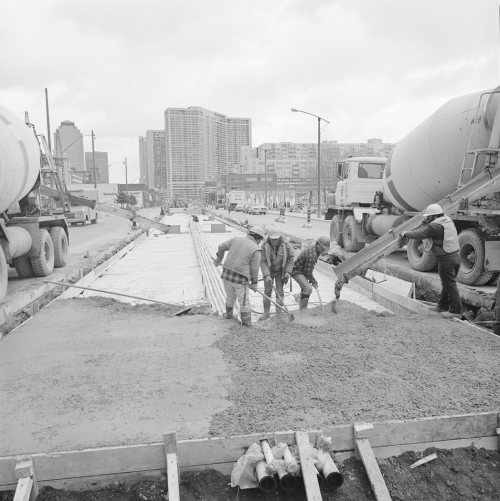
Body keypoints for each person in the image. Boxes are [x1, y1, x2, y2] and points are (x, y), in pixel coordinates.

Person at [399, 203, 463, 318]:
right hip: (455, 257)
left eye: (429, 216)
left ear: (434, 216)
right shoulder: (447, 220)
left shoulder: (434, 227)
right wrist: (426, 223)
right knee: (447, 283)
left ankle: (456, 311)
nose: (427, 218)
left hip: (446, 259)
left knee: (450, 284)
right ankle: (442, 305)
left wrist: (406, 233)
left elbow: (420, 234)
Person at [214, 226, 266, 327]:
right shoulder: (256, 249)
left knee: (230, 297)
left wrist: (219, 259)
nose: (260, 242)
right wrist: (254, 283)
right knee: (244, 302)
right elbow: (254, 269)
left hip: (226, 275)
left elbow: (221, 246)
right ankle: (247, 323)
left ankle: (228, 315)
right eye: (260, 240)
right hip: (241, 279)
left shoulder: (235, 239)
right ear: (258, 238)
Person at [259, 227, 294, 320]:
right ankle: (266, 313)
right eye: (272, 239)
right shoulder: (264, 246)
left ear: (279, 237)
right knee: (267, 292)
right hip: (269, 272)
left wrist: (288, 271)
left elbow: (291, 258)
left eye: (276, 239)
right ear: (269, 238)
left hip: (280, 272)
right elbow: (262, 261)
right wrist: (266, 275)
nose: (274, 242)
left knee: (280, 292)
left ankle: (278, 315)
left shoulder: (286, 245)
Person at [291, 236, 330, 310]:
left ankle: (301, 304)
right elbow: (308, 272)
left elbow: (308, 270)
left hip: (302, 270)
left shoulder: (315, 249)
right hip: (297, 271)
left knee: (305, 288)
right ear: (317, 244)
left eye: (324, 249)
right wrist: (314, 281)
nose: (323, 250)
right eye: (322, 248)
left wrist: (312, 280)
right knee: (308, 288)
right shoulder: (312, 255)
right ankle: (303, 309)